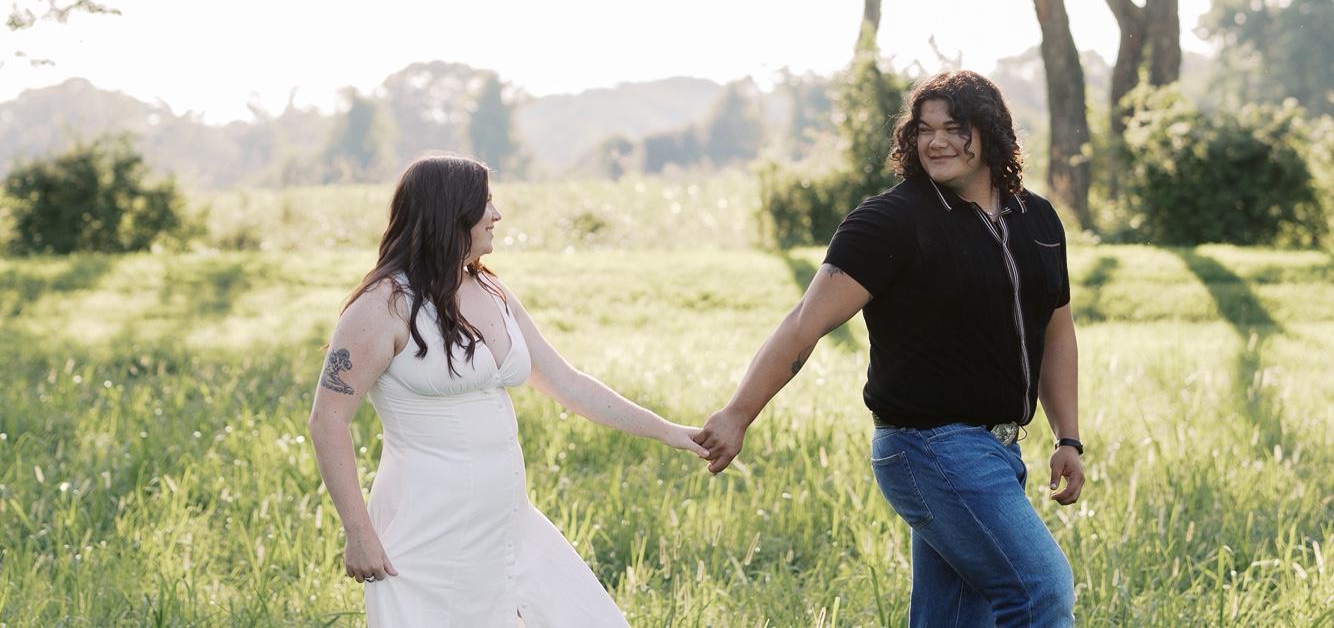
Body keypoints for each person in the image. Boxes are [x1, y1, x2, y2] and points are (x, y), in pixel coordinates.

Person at [696, 70, 1083, 627]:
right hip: (929, 447)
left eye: (955, 127)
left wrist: (1067, 436)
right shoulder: (892, 222)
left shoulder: (1037, 218)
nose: (937, 141)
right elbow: (805, 325)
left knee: (952, 619)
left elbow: (1056, 330)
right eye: (924, 129)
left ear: (992, 133)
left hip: (997, 450)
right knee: (1041, 590)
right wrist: (738, 413)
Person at [309, 153, 706, 627]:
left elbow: (569, 384)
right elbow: (327, 420)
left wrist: (670, 433)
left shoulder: (492, 291)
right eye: (486, 203)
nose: (496, 215)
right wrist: (359, 532)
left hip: (508, 521)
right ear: (450, 214)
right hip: (428, 530)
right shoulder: (382, 307)